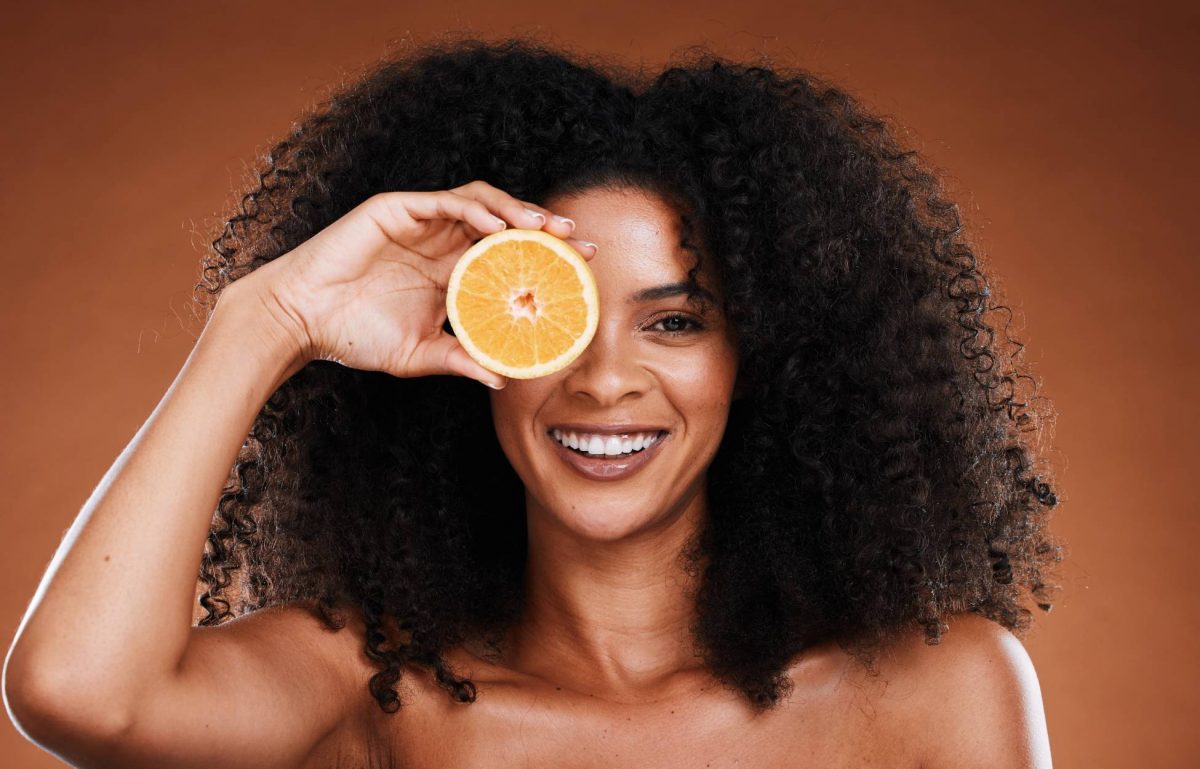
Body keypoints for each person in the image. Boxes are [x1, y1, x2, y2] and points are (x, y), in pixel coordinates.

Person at [4, 35, 1062, 769]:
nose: (603, 380)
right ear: (473, 340)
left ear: (769, 361)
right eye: (551, 318)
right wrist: (265, 320)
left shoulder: (935, 687)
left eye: (675, 321)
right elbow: (78, 697)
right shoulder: (374, 690)